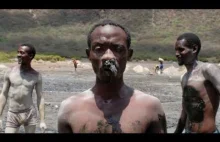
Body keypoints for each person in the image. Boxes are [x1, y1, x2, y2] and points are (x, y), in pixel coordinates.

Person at [57, 20, 167, 133]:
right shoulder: (69, 110)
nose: (108, 56)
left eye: (118, 49)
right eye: (99, 49)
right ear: (89, 55)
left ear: (129, 55)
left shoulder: (150, 108)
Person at [174, 33, 220, 133]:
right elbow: (185, 111)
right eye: (176, 50)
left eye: (181, 49)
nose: (177, 54)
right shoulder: (184, 77)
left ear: (194, 49)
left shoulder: (207, 70)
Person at [0, 44, 47, 133]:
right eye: (18, 52)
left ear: (30, 56)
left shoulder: (36, 75)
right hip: (13, 113)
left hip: (29, 113)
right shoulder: (10, 72)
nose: (18, 55)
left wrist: (42, 121)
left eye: (22, 53)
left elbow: (40, 98)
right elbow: (3, 94)